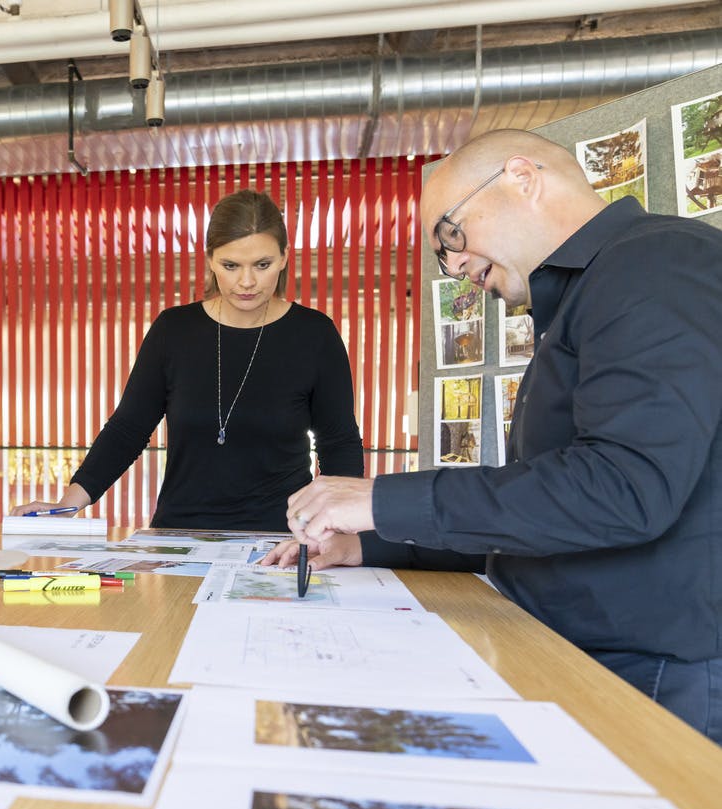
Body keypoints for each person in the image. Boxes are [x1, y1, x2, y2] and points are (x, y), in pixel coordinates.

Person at [266, 129, 722, 744]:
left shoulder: (657, 264)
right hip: (571, 652)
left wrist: (381, 500)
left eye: (450, 237)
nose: (455, 268)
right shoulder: (582, 301)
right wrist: (365, 546)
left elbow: (622, 489)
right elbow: (536, 517)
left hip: (656, 675)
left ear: (521, 177)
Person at [10, 189, 363, 530]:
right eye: (230, 265)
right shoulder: (174, 331)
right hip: (179, 536)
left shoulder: (315, 335)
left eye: (262, 264)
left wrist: (341, 530)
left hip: (280, 538)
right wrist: (68, 502)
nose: (247, 281)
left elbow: (339, 442)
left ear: (285, 257)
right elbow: (128, 429)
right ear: (210, 259)